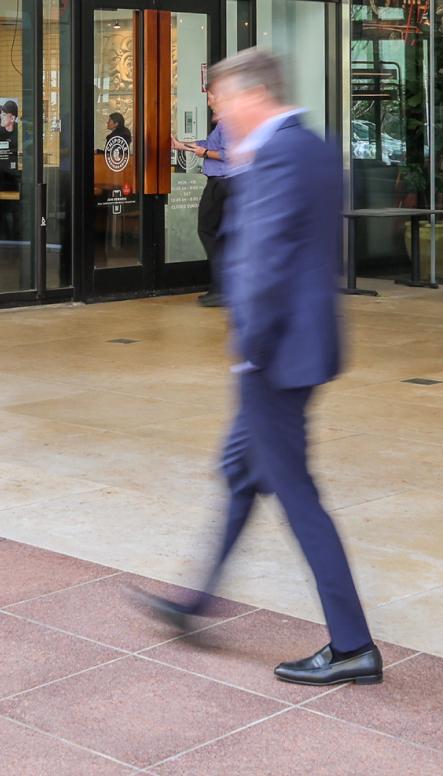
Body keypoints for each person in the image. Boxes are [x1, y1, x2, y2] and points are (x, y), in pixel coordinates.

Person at [138, 49, 382, 689]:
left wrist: (247, 348)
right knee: (243, 475)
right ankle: (195, 602)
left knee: (297, 495)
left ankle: (353, 644)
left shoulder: (277, 155)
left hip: (274, 358)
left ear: (251, 95)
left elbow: (265, 261)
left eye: (220, 100)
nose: (217, 112)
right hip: (301, 349)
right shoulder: (314, 148)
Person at [175, 105, 231, 308]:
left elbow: (229, 153)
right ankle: (220, 288)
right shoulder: (224, 123)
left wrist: (205, 152)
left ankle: (222, 289)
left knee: (208, 230)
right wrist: (182, 146)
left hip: (222, 182)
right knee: (218, 234)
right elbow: (208, 144)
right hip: (223, 182)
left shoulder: (229, 122)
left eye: (213, 97)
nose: (210, 102)